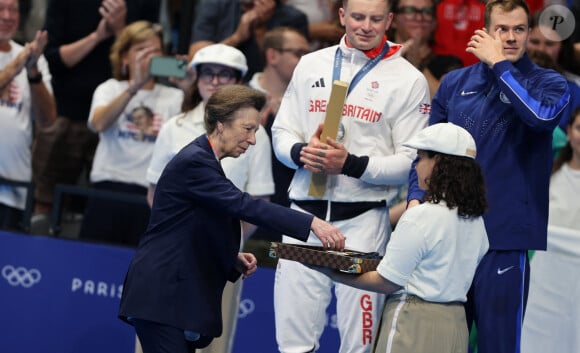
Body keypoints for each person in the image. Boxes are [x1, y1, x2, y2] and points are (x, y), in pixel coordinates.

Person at [118, 85, 346, 353]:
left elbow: (192, 226)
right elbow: (243, 205)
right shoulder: (195, 162)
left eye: (255, 131)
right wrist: (312, 223)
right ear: (221, 124)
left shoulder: (204, 162)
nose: (252, 140)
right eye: (248, 129)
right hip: (162, 298)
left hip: (172, 301)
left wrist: (230, 256)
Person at [406, 1, 571, 352]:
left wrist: (498, 64)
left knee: (499, 345)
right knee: (445, 343)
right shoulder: (454, 83)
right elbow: (426, 149)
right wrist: (414, 199)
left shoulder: (548, 82)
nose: (510, 38)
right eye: (502, 29)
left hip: (505, 238)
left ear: (529, 32)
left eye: (519, 29)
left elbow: (540, 119)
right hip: (448, 234)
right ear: (483, 31)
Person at [271, 0, 431, 352]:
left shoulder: (408, 79)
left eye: (376, 19)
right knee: (292, 345)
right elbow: (281, 132)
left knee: (358, 345)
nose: (365, 26)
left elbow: (411, 161)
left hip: (362, 221)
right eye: (357, 17)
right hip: (303, 219)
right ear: (341, 15)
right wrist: (299, 152)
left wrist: (351, 164)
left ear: (390, 20)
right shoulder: (311, 63)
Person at [313, 123, 489, 353]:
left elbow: (387, 281)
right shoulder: (476, 221)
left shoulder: (421, 216)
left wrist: (330, 270)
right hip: (455, 324)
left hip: (413, 321)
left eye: (421, 158)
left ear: (438, 163)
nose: (416, 168)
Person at [146, 43, 274, 353]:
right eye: (207, 73)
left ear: (239, 81)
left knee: (212, 347)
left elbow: (259, 199)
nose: (214, 81)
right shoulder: (173, 127)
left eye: (224, 74)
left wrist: (222, 243)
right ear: (196, 77)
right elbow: (155, 194)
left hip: (221, 262)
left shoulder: (256, 134)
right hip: (172, 260)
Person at [31, 0, 161, 230]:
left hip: (123, 111)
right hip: (66, 111)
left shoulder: (144, 3)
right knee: (46, 204)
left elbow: (147, 57)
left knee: (95, 208)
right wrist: (98, 35)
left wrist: (121, 29)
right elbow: (52, 59)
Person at [77, 20, 184, 246]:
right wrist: (134, 86)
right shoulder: (110, 88)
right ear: (125, 57)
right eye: (141, 50)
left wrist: (188, 85)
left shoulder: (175, 97)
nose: (150, 57)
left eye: (156, 50)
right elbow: (98, 124)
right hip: (108, 190)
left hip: (152, 195)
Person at [248, 26, 310, 242]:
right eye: (298, 53)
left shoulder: (311, 102)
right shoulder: (237, 96)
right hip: (241, 214)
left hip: (289, 215)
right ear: (272, 55)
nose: (306, 60)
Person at [0, 0, 56, 231]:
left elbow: (47, 122)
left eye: (13, 9)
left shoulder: (34, 59)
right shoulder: (20, 58)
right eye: (0, 8)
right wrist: (17, 66)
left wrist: (33, 72)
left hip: (14, 189)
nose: (7, 16)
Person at [189, 0, 309, 81]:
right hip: (220, 83)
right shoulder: (214, 5)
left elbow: (288, 71)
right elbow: (194, 59)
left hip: (267, 87)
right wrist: (236, 38)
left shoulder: (294, 18)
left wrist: (260, 29)